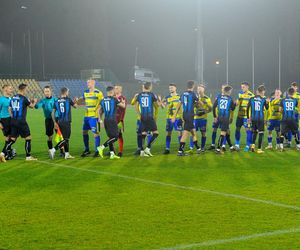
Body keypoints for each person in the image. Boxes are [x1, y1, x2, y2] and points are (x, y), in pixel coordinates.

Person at [0, 83, 37, 162]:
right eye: (26, 89)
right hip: (21, 121)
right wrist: (35, 102)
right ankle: (28, 156)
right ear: (23, 89)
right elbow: (32, 106)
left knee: (12, 139)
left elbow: (10, 109)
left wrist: (13, 116)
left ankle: (2, 153)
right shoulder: (24, 98)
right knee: (28, 138)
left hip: (13, 121)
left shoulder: (12, 98)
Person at [172, 80, 201, 156]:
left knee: (193, 132)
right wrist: (200, 100)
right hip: (190, 115)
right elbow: (199, 105)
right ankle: (180, 151)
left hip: (185, 115)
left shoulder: (183, 94)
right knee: (185, 133)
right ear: (193, 86)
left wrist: (174, 115)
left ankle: (198, 148)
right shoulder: (194, 94)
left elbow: (178, 105)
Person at [97, 86, 126, 159]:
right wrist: (123, 102)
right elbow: (123, 106)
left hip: (106, 120)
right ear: (111, 91)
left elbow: (99, 111)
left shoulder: (102, 100)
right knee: (115, 137)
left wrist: (100, 120)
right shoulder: (114, 99)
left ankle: (112, 154)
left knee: (110, 137)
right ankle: (101, 147)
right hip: (112, 120)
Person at [49, 87, 77, 160]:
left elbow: (52, 112)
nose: (68, 93)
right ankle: (53, 150)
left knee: (64, 139)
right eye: (68, 92)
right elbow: (75, 107)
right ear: (66, 92)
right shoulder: (68, 100)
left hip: (60, 122)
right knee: (66, 139)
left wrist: (55, 122)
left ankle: (67, 154)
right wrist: (76, 101)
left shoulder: (57, 101)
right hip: (66, 122)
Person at [79, 79, 104, 157]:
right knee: (84, 132)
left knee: (95, 134)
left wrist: (99, 117)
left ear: (93, 83)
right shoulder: (85, 92)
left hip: (94, 116)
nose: (87, 84)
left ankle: (97, 150)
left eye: (89, 82)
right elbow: (81, 100)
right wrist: (77, 100)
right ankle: (87, 149)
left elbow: (102, 105)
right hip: (86, 116)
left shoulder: (98, 93)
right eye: (87, 82)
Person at [135, 82, 159, 157]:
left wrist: (139, 115)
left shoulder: (139, 95)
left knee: (143, 133)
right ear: (150, 87)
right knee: (156, 133)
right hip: (149, 117)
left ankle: (142, 151)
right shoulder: (152, 95)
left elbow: (136, 107)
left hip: (143, 117)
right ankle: (148, 148)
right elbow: (156, 106)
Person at [34, 86, 59, 157]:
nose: (47, 93)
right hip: (48, 120)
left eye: (48, 91)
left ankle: (62, 151)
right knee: (49, 137)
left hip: (56, 119)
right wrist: (35, 103)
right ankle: (51, 151)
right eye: (45, 91)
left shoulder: (55, 99)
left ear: (51, 91)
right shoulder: (43, 100)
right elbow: (37, 106)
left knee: (59, 135)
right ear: (44, 92)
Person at [213, 85, 236, 154]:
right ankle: (218, 149)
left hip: (219, 117)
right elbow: (233, 108)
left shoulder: (219, 97)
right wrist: (235, 104)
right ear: (228, 91)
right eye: (231, 91)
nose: (231, 92)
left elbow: (213, 107)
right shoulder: (230, 99)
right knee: (223, 133)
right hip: (225, 118)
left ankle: (231, 147)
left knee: (227, 132)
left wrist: (215, 116)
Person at [189, 84, 212, 152]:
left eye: (200, 88)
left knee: (203, 133)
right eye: (198, 89)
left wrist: (204, 111)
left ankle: (202, 147)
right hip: (195, 119)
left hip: (203, 119)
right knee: (193, 133)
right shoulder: (195, 97)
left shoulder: (207, 98)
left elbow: (210, 109)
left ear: (203, 89)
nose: (199, 90)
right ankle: (191, 147)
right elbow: (191, 107)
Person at [247, 85, 269, 153]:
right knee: (261, 133)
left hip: (253, 118)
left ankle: (253, 145)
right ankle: (259, 149)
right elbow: (267, 108)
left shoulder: (251, 98)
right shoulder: (263, 99)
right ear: (262, 91)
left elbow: (247, 108)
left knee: (255, 132)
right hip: (260, 119)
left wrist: (248, 118)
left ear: (257, 91)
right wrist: (267, 103)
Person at [235, 82, 255, 152]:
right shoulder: (240, 94)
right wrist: (236, 102)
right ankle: (237, 144)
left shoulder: (251, 95)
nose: (242, 88)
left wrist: (251, 117)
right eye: (241, 87)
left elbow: (253, 107)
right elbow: (237, 103)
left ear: (247, 87)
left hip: (247, 117)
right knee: (237, 129)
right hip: (239, 115)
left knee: (248, 130)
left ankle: (248, 145)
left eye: (243, 87)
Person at [162, 83, 182, 154]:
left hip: (178, 118)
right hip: (169, 119)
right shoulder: (167, 97)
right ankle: (167, 148)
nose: (170, 89)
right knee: (168, 134)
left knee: (180, 134)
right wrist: (161, 102)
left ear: (175, 88)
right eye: (169, 88)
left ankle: (180, 149)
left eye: (172, 88)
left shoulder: (179, 97)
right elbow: (163, 107)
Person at [0, 84, 15, 160]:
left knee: (11, 136)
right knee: (8, 137)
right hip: (4, 120)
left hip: (11, 119)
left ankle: (7, 152)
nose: (11, 90)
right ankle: (5, 153)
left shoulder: (10, 98)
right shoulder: (1, 99)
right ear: (5, 90)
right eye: (10, 89)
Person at [114, 85, 127, 157]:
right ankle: (112, 150)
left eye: (117, 88)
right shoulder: (113, 97)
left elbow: (123, 107)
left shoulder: (122, 98)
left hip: (119, 120)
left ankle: (120, 151)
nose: (115, 89)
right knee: (111, 135)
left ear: (120, 90)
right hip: (112, 119)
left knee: (119, 135)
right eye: (115, 88)